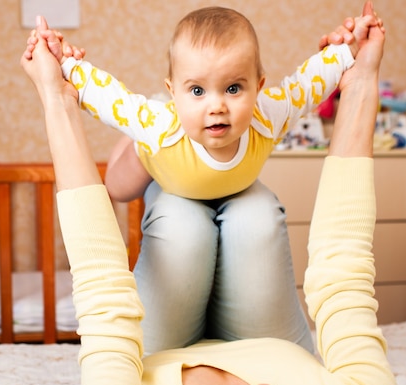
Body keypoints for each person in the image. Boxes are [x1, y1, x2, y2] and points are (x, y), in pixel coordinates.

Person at [21, 2, 401, 385]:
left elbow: (102, 292)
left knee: (182, 218)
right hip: (271, 334)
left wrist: (58, 95)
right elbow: (342, 269)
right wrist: (361, 77)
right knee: (252, 211)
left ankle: (153, 169)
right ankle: (160, 167)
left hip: (161, 348)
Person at [25, 8, 361, 355]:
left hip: (236, 211)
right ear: (174, 93)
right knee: (176, 211)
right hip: (170, 178)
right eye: (197, 91)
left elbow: (305, 87)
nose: (216, 106)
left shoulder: (267, 114)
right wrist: (65, 63)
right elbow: (109, 98)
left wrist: (348, 50)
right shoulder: (159, 125)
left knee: (255, 217)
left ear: (258, 87)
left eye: (233, 88)